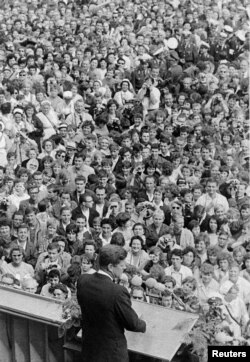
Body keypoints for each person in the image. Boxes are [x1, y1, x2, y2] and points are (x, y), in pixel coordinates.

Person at [77, 244, 146, 362]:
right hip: (111, 354)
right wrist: (143, 324)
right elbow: (133, 324)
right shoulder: (117, 291)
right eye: (121, 265)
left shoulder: (83, 280)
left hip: (89, 349)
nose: (124, 268)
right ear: (110, 266)